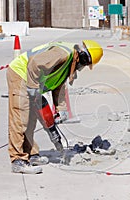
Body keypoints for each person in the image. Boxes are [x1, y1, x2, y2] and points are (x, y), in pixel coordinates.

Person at [6, 40, 103, 174]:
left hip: (32, 78)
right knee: (21, 118)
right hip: (21, 74)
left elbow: (59, 83)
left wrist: (60, 108)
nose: (83, 67)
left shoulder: (70, 62)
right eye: (86, 63)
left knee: (32, 119)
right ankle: (18, 160)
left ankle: (31, 154)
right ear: (82, 55)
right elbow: (35, 63)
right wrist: (33, 88)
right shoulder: (63, 53)